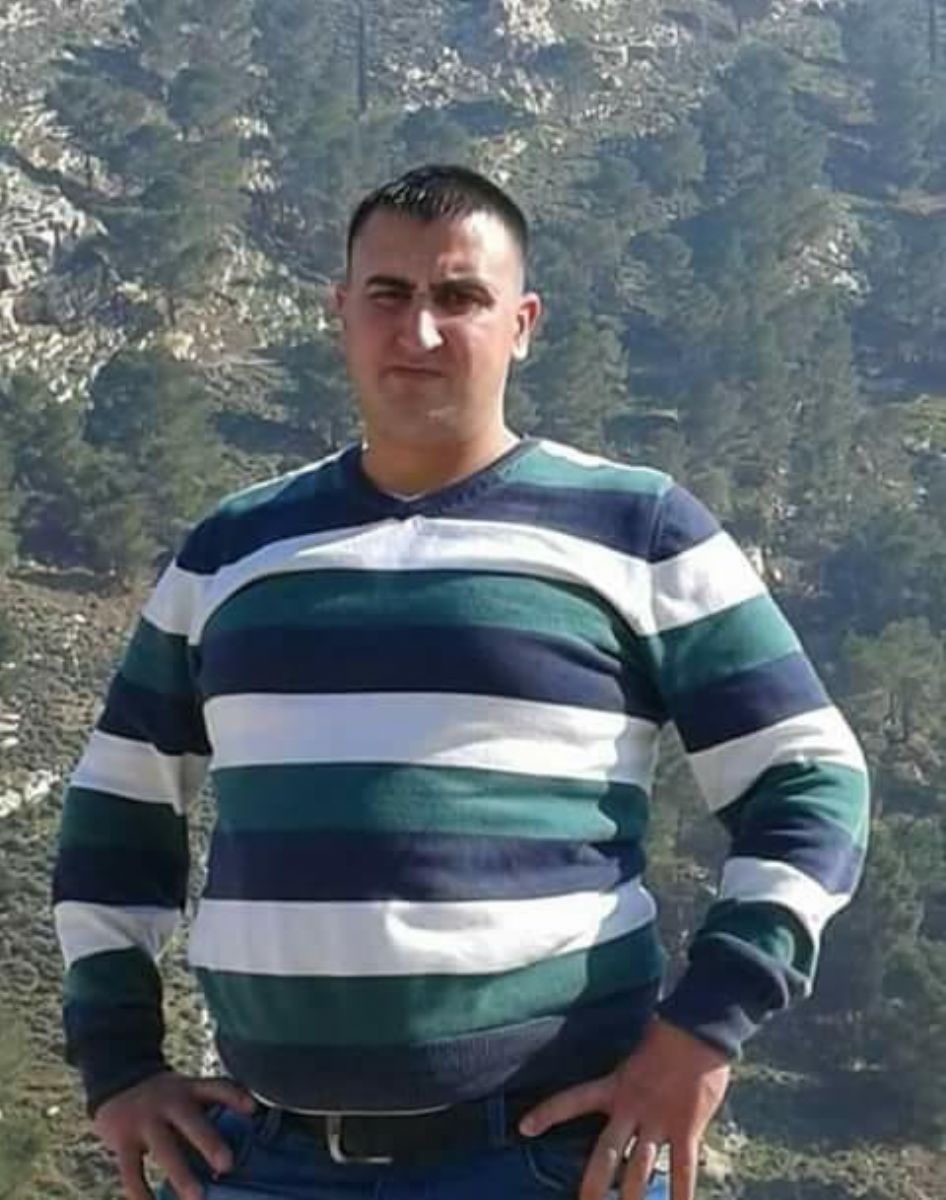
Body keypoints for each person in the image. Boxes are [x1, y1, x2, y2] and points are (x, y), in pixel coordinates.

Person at [52, 164, 869, 1200]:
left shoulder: (639, 530)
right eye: (389, 295)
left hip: (551, 1158)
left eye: (460, 296)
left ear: (521, 324)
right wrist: (118, 1062)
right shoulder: (230, 551)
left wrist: (705, 1031)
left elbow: (810, 777)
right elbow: (118, 808)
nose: (421, 330)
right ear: (340, 313)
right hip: (265, 1160)